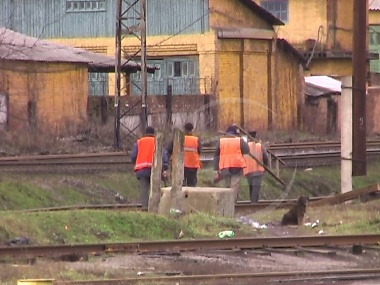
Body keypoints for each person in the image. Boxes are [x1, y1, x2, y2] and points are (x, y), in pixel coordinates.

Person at [130, 126, 169, 208]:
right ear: (154, 133)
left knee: (144, 189)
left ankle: (144, 207)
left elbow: (133, 156)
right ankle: (155, 207)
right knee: (155, 189)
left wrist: (136, 163)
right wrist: (165, 168)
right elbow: (164, 156)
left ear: (145, 133)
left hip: (142, 169)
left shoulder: (139, 142)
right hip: (155, 169)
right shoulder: (157, 142)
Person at [213, 125, 250, 202]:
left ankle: (227, 203)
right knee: (234, 185)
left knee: (227, 185)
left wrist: (216, 169)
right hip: (237, 166)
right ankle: (233, 202)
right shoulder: (239, 140)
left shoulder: (221, 141)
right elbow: (247, 150)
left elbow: (216, 155)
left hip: (225, 166)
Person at [167, 122, 202, 186]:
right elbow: (199, 151)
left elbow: (169, 149)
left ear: (184, 129)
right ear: (192, 130)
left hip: (180, 164)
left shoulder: (178, 138)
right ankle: (191, 195)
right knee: (191, 184)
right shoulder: (196, 139)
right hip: (193, 164)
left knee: (180, 183)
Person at [243, 131, 269, 203]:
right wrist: (265, 167)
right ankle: (253, 205)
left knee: (251, 188)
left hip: (248, 171)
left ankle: (252, 202)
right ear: (255, 136)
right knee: (256, 189)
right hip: (258, 170)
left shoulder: (245, 147)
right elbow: (266, 157)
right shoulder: (259, 146)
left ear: (248, 137)